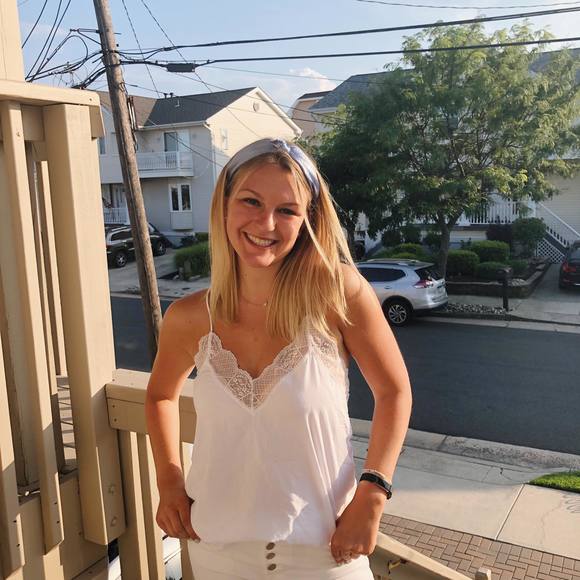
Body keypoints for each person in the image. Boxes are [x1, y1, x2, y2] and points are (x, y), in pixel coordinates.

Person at [145, 138, 412, 579]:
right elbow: (159, 396)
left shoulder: (338, 294)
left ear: (307, 219)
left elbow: (394, 392)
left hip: (328, 555)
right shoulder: (189, 318)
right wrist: (169, 479)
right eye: (251, 201)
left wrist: (373, 492)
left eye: (287, 210)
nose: (265, 222)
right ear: (224, 205)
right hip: (217, 556)